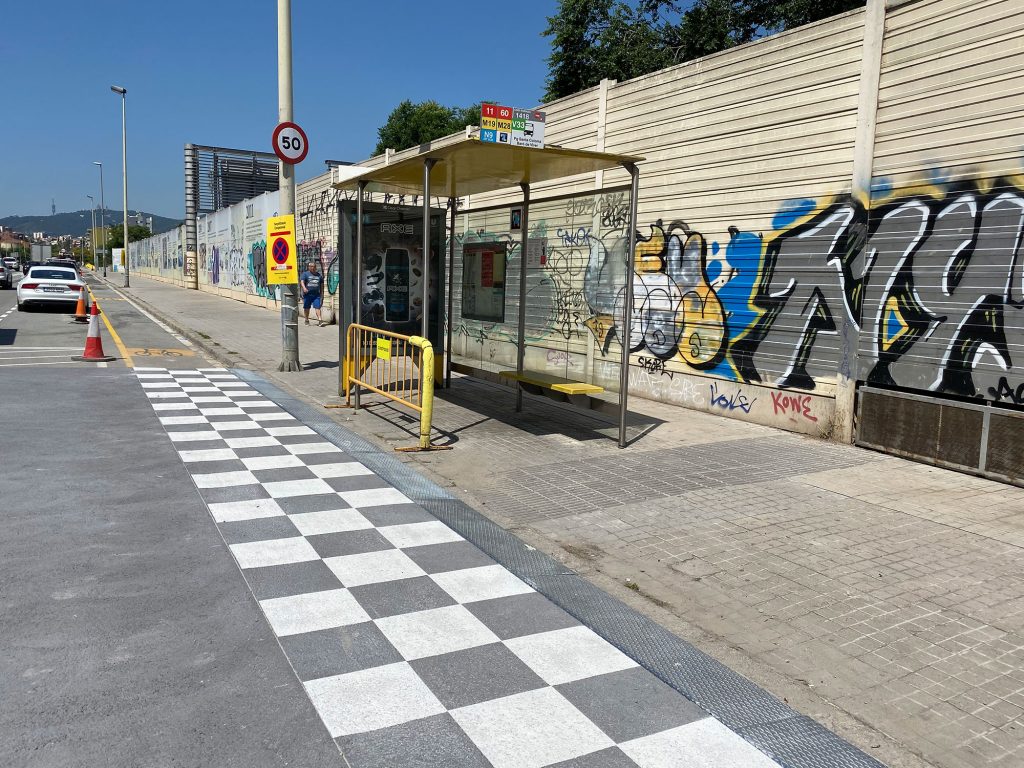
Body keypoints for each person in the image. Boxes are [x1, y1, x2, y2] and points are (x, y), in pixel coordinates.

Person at [300, 260, 324, 326]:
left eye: (313, 266)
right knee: (307, 308)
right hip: (307, 295)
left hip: (316, 295)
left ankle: (320, 320)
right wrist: (304, 288)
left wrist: (322, 293)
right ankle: (306, 320)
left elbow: (321, 285)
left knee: (317, 307)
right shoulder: (305, 274)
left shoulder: (319, 275)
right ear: (308, 267)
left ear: (315, 267)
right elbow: (302, 281)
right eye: (311, 266)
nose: (312, 267)